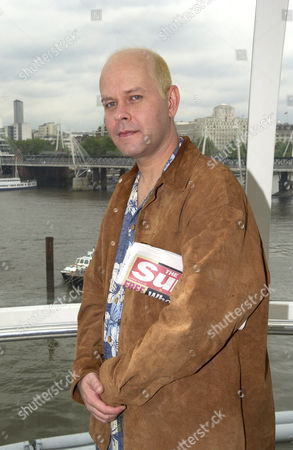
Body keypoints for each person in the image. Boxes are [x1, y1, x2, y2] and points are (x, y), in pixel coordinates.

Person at [71, 48, 275, 449]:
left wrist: (111, 382)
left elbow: (196, 320)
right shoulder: (122, 192)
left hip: (189, 431)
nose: (120, 114)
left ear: (171, 101)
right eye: (110, 103)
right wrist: (85, 370)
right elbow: (96, 293)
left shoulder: (212, 192)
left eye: (134, 97)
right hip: (120, 431)